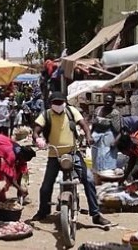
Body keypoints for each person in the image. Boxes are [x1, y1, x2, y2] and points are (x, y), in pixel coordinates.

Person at [31, 92, 111, 225]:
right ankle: (43, 211)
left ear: (65, 102)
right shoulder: (45, 115)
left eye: (60, 102)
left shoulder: (71, 111)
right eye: (55, 103)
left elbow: (83, 124)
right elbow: (36, 130)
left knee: (89, 179)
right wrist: (37, 138)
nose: (58, 105)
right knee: (45, 187)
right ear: (51, 104)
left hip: (73, 152)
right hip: (54, 155)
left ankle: (95, 214)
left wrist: (88, 136)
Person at [0, 134, 36, 201]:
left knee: (1, 175)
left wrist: (19, 189)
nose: (24, 162)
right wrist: (19, 189)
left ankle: (0, 197)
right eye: (24, 160)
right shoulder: (11, 155)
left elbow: (20, 172)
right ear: (22, 157)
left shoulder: (21, 153)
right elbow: (10, 177)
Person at [90, 94, 122, 172]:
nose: (108, 103)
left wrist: (115, 141)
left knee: (107, 155)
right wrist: (90, 135)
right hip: (96, 134)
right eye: (106, 101)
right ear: (103, 101)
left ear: (113, 102)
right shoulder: (98, 109)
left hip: (108, 135)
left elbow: (119, 130)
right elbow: (93, 123)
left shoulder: (115, 113)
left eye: (110, 102)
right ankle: (97, 172)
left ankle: (108, 173)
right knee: (96, 154)